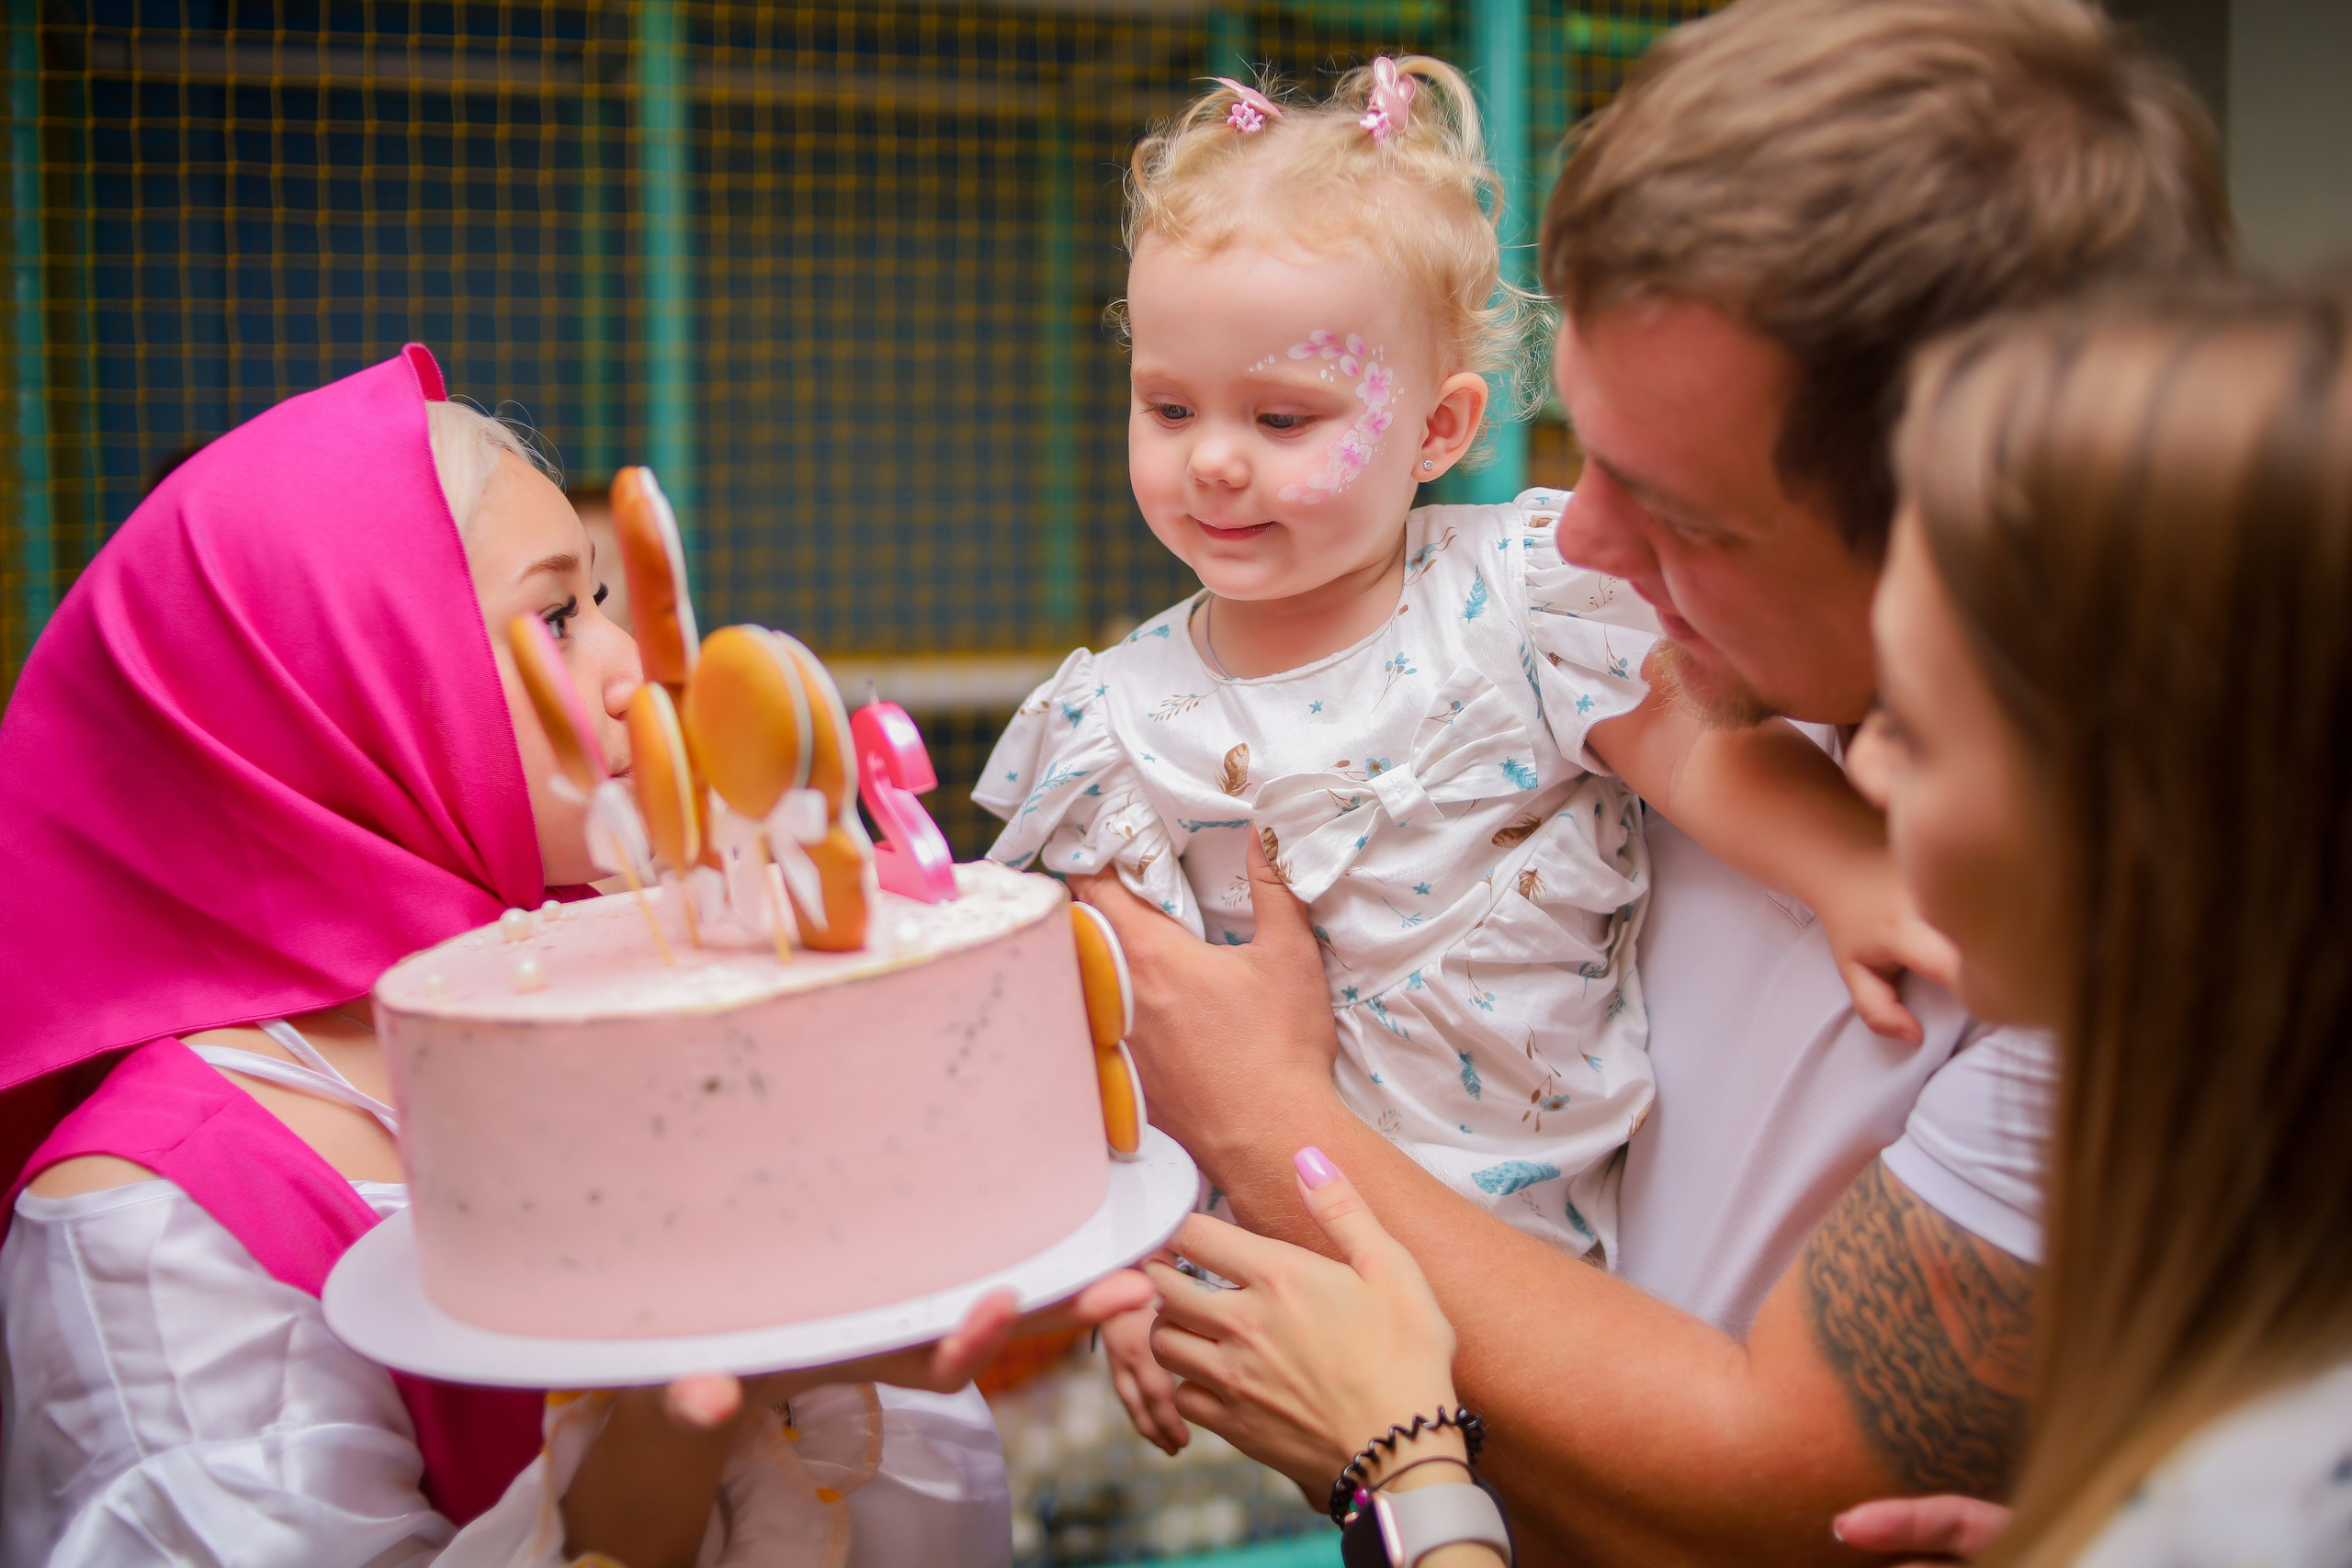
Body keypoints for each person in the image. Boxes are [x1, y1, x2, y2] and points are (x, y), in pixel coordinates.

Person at [1066, 0, 2233, 1560]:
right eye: (1587, 452)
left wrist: (1271, 1126)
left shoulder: (2103, 952)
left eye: (1688, 512)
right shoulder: (1686, 657)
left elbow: (1767, 1497)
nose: (1585, 546)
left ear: (1960, 531)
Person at [0, 346, 1148, 1568]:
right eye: (558, 614)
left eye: (604, 601)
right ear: (345, 679)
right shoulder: (157, 1223)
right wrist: (675, 1423)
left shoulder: (648, 997)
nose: (635, 674)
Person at [978, 55, 1949, 1442]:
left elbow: (1703, 755)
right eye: (1170, 406)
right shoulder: (1113, 722)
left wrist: (1851, 871)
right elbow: (1115, 1037)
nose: (1212, 463)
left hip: (1553, 1265)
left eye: (1282, 417)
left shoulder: (1519, 601)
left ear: (1439, 429)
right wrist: (1126, 1271)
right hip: (1289, 1291)